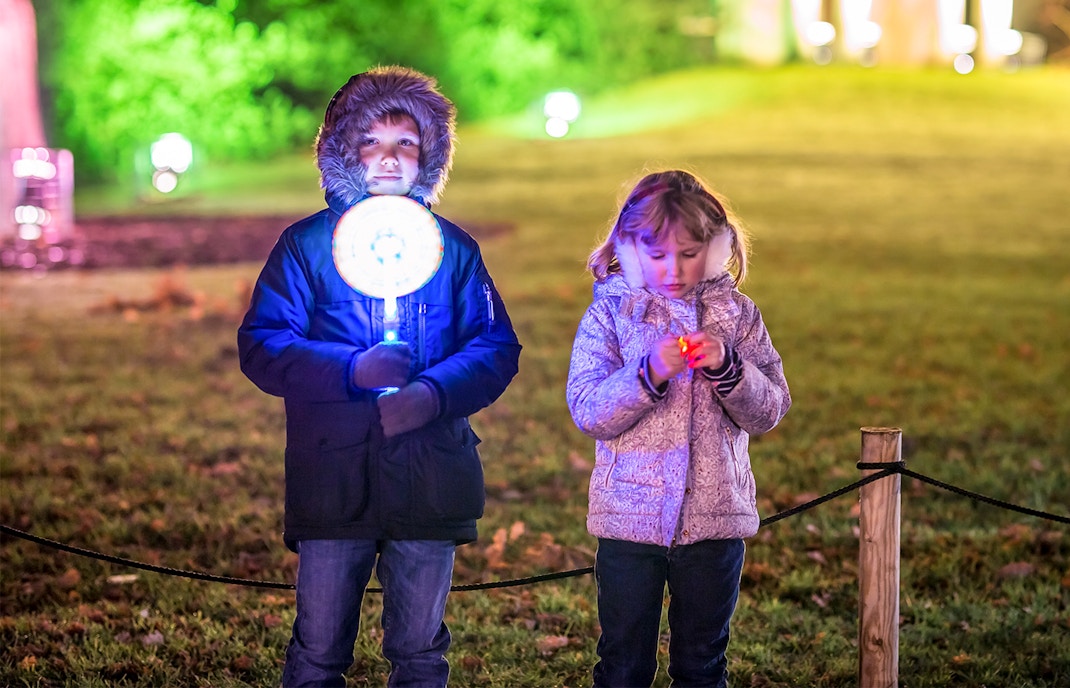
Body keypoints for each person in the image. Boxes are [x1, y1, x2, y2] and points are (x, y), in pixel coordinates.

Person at [237, 66, 521, 688]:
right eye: (370, 141)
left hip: (429, 478)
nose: (389, 159)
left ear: (431, 156)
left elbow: (495, 345)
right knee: (318, 649)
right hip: (333, 481)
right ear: (342, 149)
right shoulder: (308, 247)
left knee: (420, 652)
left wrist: (432, 393)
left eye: (407, 143)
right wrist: (351, 370)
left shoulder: (452, 250)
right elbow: (263, 344)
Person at [566, 169, 790, 687]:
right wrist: (646, 374)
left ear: (715, 249)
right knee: (623, 665)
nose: (674, 268)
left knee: (703, 664)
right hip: (629, 521)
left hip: (714, 521)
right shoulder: (613, 312)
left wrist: (730, 368)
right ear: (632, 249)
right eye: (659, 254)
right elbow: (588, 409)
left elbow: (770, 409)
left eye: (689, 254)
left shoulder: (736, 316)